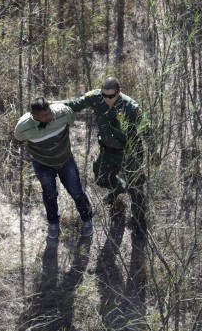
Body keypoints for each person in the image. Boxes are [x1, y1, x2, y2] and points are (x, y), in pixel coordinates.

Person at [59, 77, 147, 235]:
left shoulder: (131, 107)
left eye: (110, 96)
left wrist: (154, 154)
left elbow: (147, 130)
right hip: (107, 149)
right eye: (104, 95)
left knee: (136, 188)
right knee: (100, 176)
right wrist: (51, 104)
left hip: (130, 151)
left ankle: (139, 224)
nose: (107, 99)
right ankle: (118, 188)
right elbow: (74, 104)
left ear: (118, 92)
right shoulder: (95, 97)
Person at [14, 97, 93, 239]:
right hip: (42, 164)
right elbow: (19, 137)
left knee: (76, 191)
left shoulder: (63, 113)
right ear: (35, 116)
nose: (49, 116)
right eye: (44, 115)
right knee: (50, 194)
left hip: (66, 160)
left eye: (49, 112)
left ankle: (87, 219)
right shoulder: (23, 127)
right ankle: (53, 223)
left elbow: (71, 118)